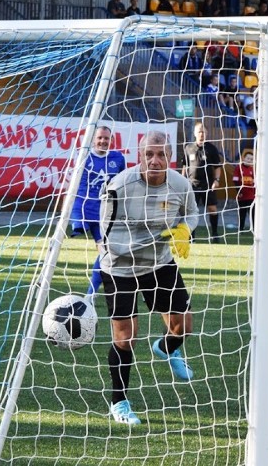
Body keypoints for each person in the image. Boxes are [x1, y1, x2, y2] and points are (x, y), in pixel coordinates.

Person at [99, 131, 199, 425]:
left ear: (170, 157)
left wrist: (185, 231)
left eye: (161, 155)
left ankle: (167, 349)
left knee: (185, 326)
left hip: (160, 262)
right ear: (139, 156)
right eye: (149, 155)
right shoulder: (119, 186)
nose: (155, 161)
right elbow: (104, 235)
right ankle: (119, 403)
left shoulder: (180, 184)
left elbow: (192, 213)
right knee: (125, 337)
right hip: (120, 266)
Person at [71, 126, 127, 298]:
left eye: (106, 138)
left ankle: (90, 295)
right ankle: (42, 280)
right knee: (58, 243)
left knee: (105, 251)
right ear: (93, 139)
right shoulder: (83, 157)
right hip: (84, 209)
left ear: (111, 140)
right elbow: (75, 184)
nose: (103, 141)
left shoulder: (118, 158)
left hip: (105, 213)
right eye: (100, 138)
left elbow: (122, 183)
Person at [182, 122, 224, 242]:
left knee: (212, 209)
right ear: (195, 133)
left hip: (208, 184)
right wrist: (182, 181)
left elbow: (217, 167)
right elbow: (185, 166)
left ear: (207, 133)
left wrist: (216, 180)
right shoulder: (188, 148)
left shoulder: (211, 149)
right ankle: (191, 237)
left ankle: (215, 234)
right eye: (199, 131)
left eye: (204, 131)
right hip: (192, 185)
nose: (202, 134)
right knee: (191, 211)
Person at [232, 151, 255, 232]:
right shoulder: (239, 168)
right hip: (242, 195)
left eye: (251, 159)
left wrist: (255, 192)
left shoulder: (252, 169)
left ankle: (254, 229)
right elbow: (235, 180)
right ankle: (241, 228)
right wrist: (239, 191)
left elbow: (254, 182)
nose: (249, 160)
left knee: (252, 212)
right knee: (242, 213)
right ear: (243, 158)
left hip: (251, 195)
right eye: (248, 158)